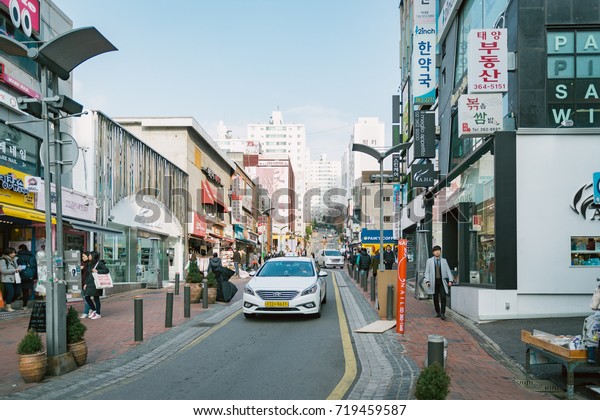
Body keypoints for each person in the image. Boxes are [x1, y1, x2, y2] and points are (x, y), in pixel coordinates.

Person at [423, 245, 454, 320]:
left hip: (442, 282)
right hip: (433, 282)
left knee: (443, 297)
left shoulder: (444, 260)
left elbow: (448, 271)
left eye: (439, 250)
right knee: (435, 298)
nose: (437, 252)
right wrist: (427, 281)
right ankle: (438, 312)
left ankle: (443, 313)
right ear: (433, 252)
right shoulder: (429, 261)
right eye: (435, 251)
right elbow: (427, 272)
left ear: (440, 251)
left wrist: (450, 280)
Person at [83, 251, 109, 320]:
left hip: (97, 283)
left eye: (90, 256)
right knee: (87, 297)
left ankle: (98, 313)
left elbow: (106, 270)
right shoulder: (90, 264)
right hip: (90, 283)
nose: (89, 256)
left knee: (96, 298)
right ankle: (94, 310)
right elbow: (88, 275)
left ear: (93, 256)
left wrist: (97, 271)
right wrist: (86, 283)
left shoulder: (99, 264)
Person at [0, 247, 23, 312]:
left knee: (18, 292)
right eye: (12, 253)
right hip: (7, 279)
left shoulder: (15, 259)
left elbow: (16, 268)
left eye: (14, 252)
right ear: (8, 253)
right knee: (11, 292)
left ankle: (7, 302)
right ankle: (8, 306)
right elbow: (3, 271)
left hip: (16, 278)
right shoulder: (3, 260)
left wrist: (19, 269)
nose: (14, 254)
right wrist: (14, 270)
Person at [16, 244, 36, 311]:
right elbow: (35, 267)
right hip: (30, 275)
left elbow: (16, 266)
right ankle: (25, 305)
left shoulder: (18, 256)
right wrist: (35, 277)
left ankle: (9, 303)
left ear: (20, 249)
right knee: (26, 291)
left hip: (19, 275)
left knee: (16, 289)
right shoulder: (32, 256)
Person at [80, 252, 92, 318]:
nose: (83, 258)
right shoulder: (82, 263)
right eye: (82, 256)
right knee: (84, 297)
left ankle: (86, 312)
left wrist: (86, 284)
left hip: (87, 284)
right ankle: (91, 310)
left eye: (84, 256)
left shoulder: (89, 264)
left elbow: (89, 275)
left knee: (86, 298)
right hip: (82, 283)